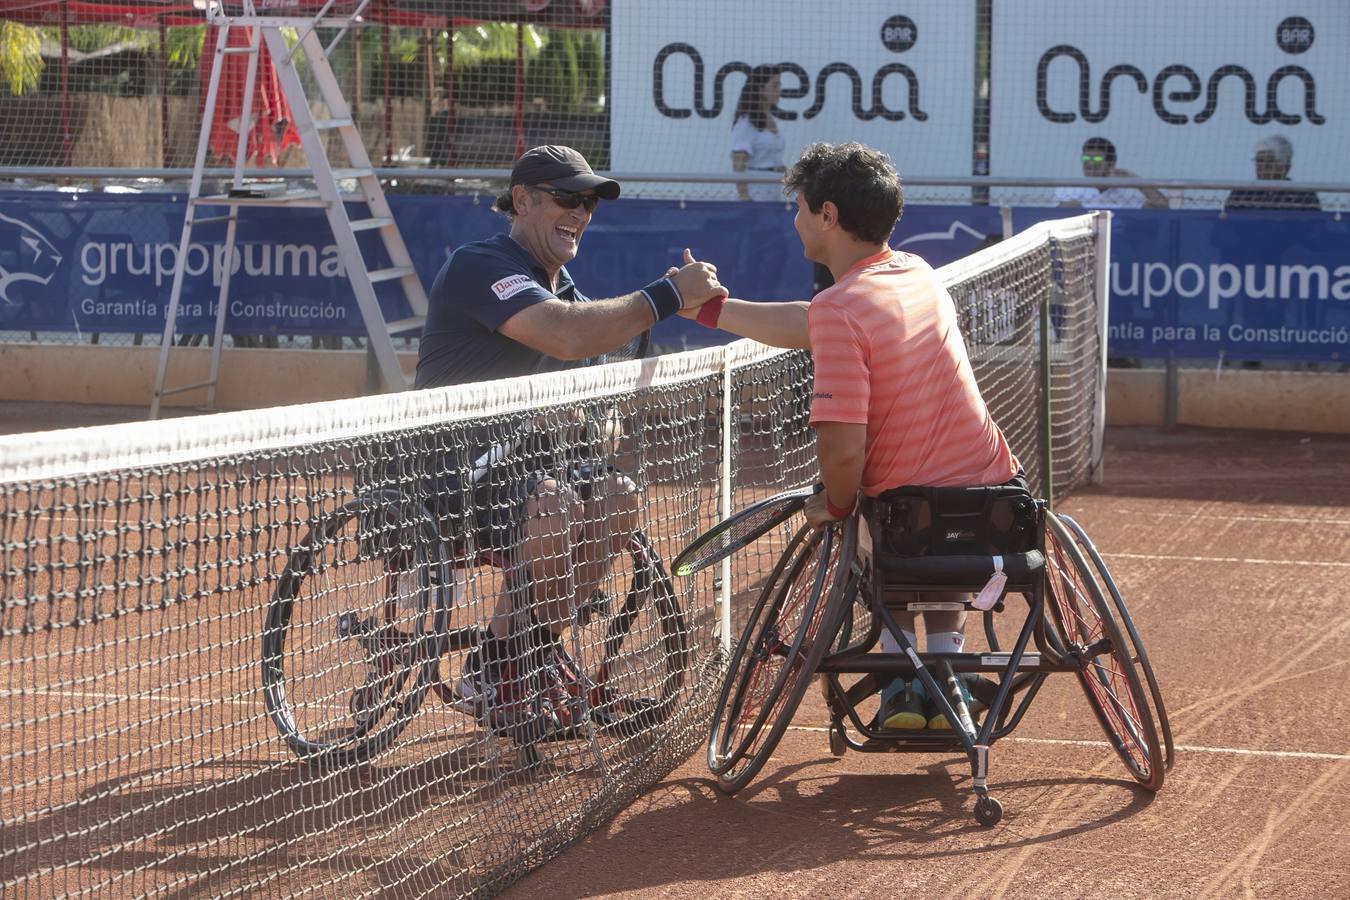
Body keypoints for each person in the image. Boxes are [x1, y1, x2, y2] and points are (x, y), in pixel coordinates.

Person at [681, 142, 1021, 730]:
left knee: (862, 515)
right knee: (913, 518)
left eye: (801, 208)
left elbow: (842, 453)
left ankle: (899, 691)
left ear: (828, 216)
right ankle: (947, 682)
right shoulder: (916, 273)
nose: (795, 220)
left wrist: (832, 504)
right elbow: (813, 319)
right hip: (997, 512)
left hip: (908, 531)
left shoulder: (841, 309)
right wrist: (713, 311)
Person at [412, 144, 726, 726]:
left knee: (620, 494)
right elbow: (565, 336)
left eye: (587, 202)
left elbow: (589, 363)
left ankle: (506, 661)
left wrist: (596, 417)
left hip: (527, 468)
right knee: (552, 504)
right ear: (523, 201)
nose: (580, 211)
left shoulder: (568, 289)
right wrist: (666, 296)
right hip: (450, 469)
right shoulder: (481, 264)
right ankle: (515, 665)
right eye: (566, 198)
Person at [1056, 137, 1167, 210]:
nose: (1089, 162)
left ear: (1111, 164)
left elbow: (1163, 206)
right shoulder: (1069, 188)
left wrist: (1136, 180)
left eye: (1097, 159)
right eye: (1086, 158)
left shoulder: (1128, 194)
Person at [730, 65, 786, 203]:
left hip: (772, 192)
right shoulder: (747, 122)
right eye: (775, 86)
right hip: (754, 193)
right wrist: (744, 197)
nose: (779, 91)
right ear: (760, 89)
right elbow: (738, 162)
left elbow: (771, 160)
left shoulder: (771, 119)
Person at [1224, 135, 1321, 212]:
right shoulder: (1242, 193)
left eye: (1269, 162)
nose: (1262, 167)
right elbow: (1224, 227)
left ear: (1286, 166)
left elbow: (1316, 230)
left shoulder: (1303, 195)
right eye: (1259, 161)